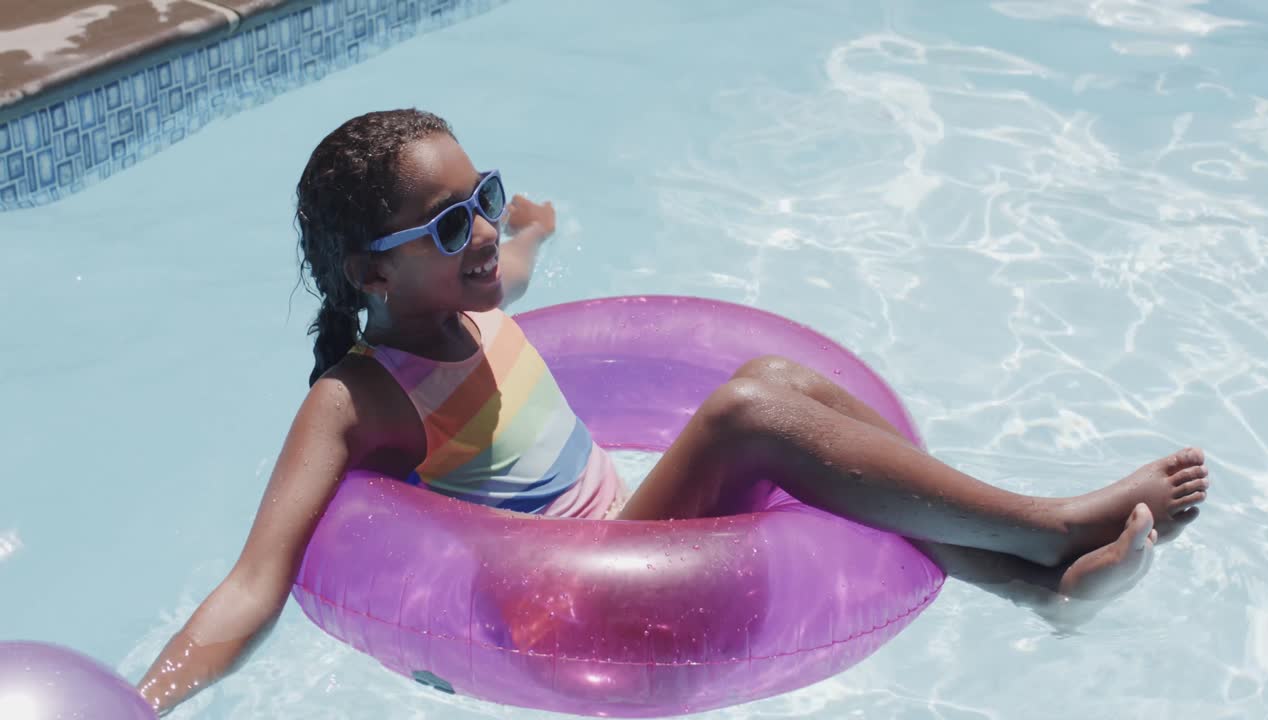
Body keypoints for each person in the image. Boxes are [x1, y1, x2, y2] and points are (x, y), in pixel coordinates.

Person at [137, 109, 1210, 714]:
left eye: (485, 199)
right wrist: (149, 699)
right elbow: (254, 581)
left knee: (783, 391)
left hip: (628, 538)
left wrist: (534, 230)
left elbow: (510, 263)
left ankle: (1033, 589)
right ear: (371, 275)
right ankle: (1048, 525)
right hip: (572, 620)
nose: (483, 236)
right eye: (450, 225)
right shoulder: (355, 398)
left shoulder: (470, 301)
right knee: (749, 411)